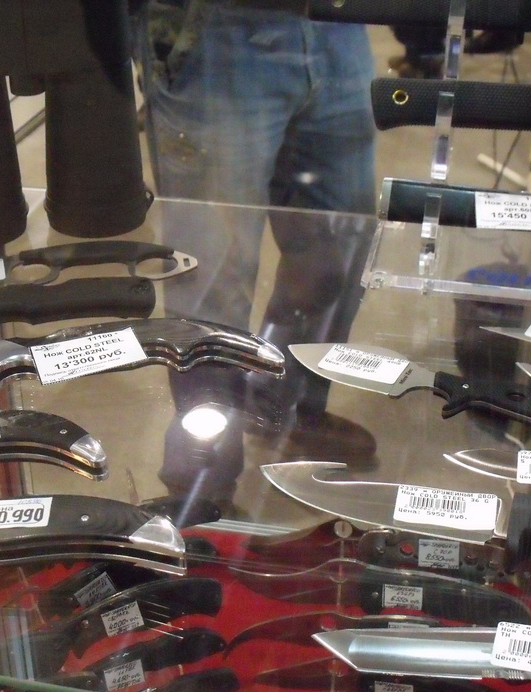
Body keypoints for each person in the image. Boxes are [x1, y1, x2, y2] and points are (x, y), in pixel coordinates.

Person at [133, 0, 381, 519]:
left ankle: (284, 405)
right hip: (214, 29)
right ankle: (203, 476)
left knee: (340, 248)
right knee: (212, 276)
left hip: (339, 23)